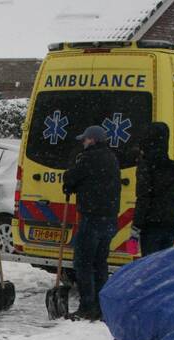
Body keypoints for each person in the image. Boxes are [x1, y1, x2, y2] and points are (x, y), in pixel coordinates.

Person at [62, 125, 122, 321]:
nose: (83, 142)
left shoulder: (88, 158)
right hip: (110, 218)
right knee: (100, 263)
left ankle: (87, 306)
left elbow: (71, 177)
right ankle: (101, 306)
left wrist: (70, 179)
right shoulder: (112, 158)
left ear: (93, 140)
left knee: (83, 262)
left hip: (92, 217)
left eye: (85, 139)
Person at [134, 122, 174, 256]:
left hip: (151, 224)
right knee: (163, 265)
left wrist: (136, 225)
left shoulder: (145, 166)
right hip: (171, 223)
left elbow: (143, 198)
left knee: (148, 264)